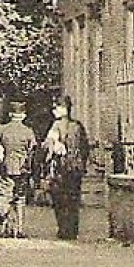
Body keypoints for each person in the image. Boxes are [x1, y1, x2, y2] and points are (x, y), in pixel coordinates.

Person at [43, 95, 90, 240]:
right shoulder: (78, 126)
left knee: (59, 200)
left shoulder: (56, 126)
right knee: (73, 199)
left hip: (60, 169)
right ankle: (73, 229)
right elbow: (85, 147)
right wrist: (81, 163)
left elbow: (48, 146)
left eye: (55, 107)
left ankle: (63, 229)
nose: (53, 110)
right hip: (75, 168)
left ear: (63, 109)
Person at [0, 101, 37, 237]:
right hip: (22, 169)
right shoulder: (28, 131)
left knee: (3, 195)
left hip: (5, 167)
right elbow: (33, 150)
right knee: (20, 198)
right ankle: (19, 228)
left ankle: (5, 222)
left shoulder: (1, 129)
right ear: (23, 115)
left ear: (10, 114)